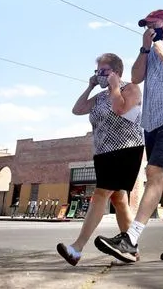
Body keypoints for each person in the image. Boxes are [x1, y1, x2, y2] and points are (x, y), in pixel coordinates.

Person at [94, 9, 163, 263]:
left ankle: (130, 240)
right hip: (152, 121)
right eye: (147, 25)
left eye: (155, 24)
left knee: (153, 173)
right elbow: (136, 77)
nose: (150, 28)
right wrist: (145, 49)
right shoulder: (149, 50)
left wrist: (162, 50)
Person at [56, 53, 144, 266]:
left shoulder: (130, 88)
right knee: (119, 200)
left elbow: (120, 108)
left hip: (126, 149)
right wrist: (90, 87)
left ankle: (76, 248)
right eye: (97, 72)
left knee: (101, 193)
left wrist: (114, 87)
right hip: (103, 152)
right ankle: (131, 249)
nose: (100, 75)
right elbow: (77, 109)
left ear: (116, 71)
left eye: (104, 71)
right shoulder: (99, 97)